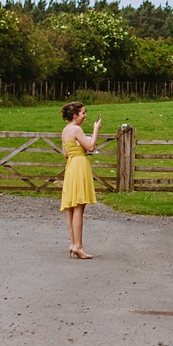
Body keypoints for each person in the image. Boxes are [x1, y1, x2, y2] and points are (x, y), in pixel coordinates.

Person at [60, 101, 101, 259]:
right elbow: (91, 147)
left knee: (71, 207)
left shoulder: (65, 130)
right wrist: (95, 130)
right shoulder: (77, 129)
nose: (85, 116)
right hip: (79, 165)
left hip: (71, 166)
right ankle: (78, 245)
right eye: (83, 113)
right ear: (75, 115)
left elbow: (65, 154)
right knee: (78, 207)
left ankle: (74, 243)